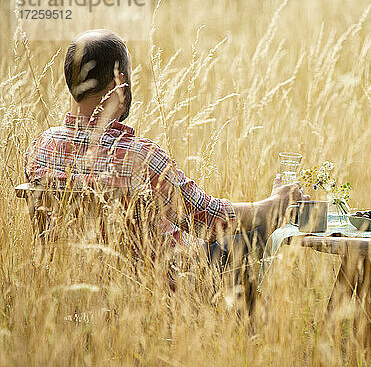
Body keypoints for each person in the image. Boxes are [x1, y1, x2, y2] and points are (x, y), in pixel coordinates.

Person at [24, 29, 308, 266]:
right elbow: (208, 221)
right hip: (157, 289)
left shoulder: (40, 149)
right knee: (260, 231)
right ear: (118, 81)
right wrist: (274, 205)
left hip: (75, 297)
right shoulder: (138, 156)